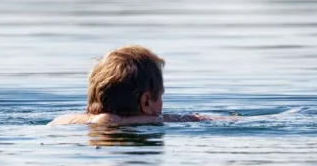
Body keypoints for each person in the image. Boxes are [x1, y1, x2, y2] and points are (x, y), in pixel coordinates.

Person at [49, 45, 210, 125]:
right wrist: (158, 119)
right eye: (160, 96)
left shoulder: (67, 121)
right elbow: (107, 120)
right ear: (146, 102)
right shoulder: (105, 121)